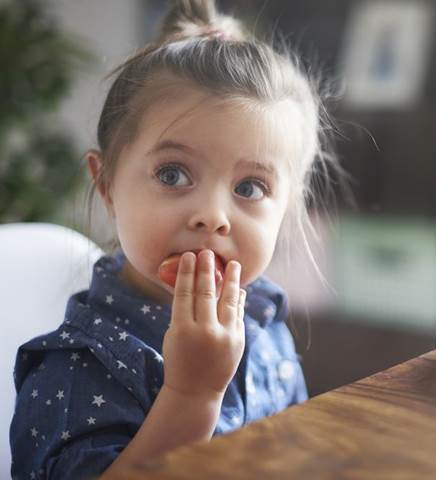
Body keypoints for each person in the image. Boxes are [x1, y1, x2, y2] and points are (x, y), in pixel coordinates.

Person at [10, 0, 345, 477]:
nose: (212, 216)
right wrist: (192, 395)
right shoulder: (76, 368)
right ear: (106, 185)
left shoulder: (265, 319)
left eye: (249, 188)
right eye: (172, 174)